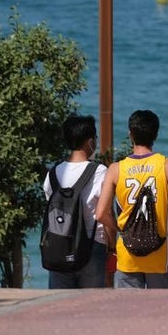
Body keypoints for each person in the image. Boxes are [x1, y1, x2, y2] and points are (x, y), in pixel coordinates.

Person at [96, 109, 168, 289]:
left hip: (128, 251)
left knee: (129, 311)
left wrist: (121, 228)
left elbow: (100, 214)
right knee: (161, 309)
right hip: (161, 253)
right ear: (156, 134)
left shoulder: (116, 169)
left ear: (130, 134)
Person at [43, 114, 108, 289]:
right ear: (89, 142)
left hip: (59, 245)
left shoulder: (53, 173)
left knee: (60, 305)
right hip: (93, 247)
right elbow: (105, 213)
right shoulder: (100, 171)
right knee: (91, 307)